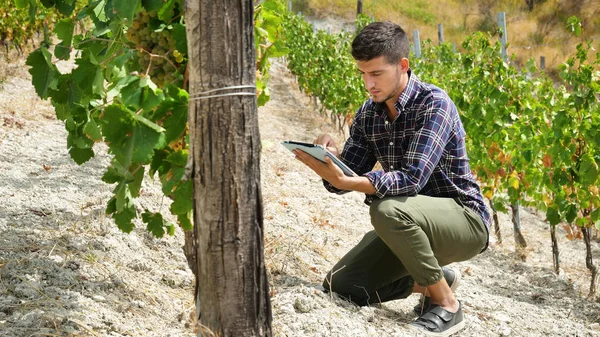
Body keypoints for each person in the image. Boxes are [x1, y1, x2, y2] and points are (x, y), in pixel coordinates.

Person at [293, 21, 491, 337]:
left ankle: (447, 304)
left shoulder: (433, 103)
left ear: (402, 66)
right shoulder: (369, 113)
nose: (368, 84)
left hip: (464, 220)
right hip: (411, 221)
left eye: (376, 74)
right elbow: (345, 177)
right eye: (363, 74)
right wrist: (327, 161)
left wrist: (350, 182)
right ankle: (435, 280)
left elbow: (410, 180)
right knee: (341, 284)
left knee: (386, 209)